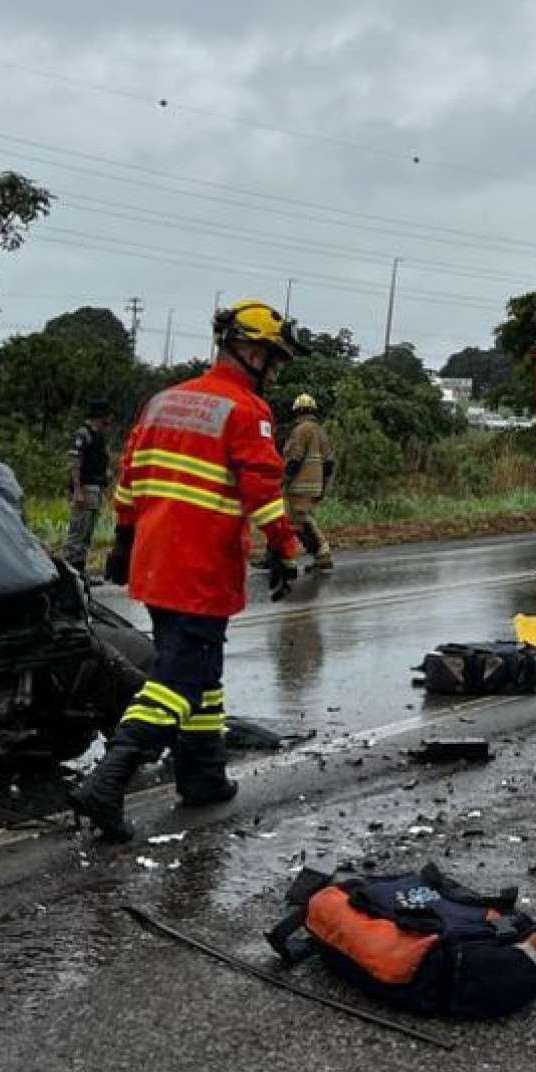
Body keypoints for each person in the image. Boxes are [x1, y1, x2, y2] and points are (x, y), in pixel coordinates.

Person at [70, 300, 304, 842]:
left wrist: (123, 543)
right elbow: (262, 492)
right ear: (249, 350)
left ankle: (202, 774)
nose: (273, 371)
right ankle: (108, 781)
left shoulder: (162, 402)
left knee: (202, 668)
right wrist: (287, 550)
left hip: (155, 563)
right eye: (272, 359)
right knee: (179, 678)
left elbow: (129, 481)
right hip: (201, 569)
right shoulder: (248, 411)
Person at [281, 392, 337, 575]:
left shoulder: (301, 430)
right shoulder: (320, 431)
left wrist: (285, 480)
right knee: (298, 520)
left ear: (297, 412)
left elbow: (294, 459)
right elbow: (329, 462)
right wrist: (323, 484)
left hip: (299, 484)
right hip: (314, 485)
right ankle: (318, 555)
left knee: (300, 520)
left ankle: (322, 552)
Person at [59, 401, 116, 568]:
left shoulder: (99, 436)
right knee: (77, 532)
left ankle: (80, 570)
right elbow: (75, 462)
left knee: (87, 533)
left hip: (95, 489)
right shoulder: (84, 434)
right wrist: (77, 490)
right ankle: (69, 570)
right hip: (85, 488)